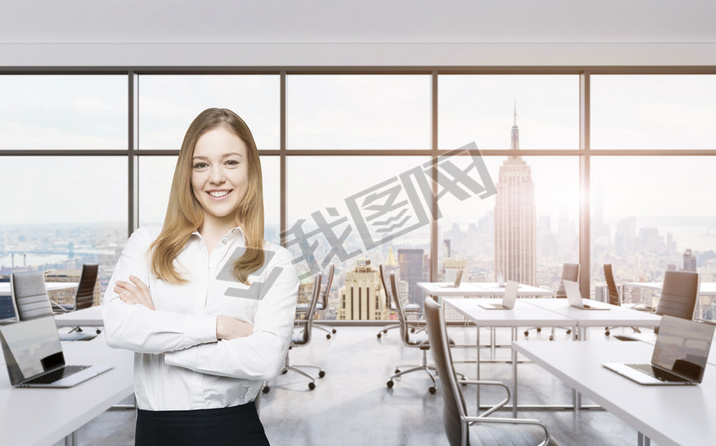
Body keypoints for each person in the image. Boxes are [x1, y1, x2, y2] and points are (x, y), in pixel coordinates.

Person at [103, 108, 299, 445]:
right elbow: (119, 327)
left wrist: (160, 339)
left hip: (235, 431)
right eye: (201, 164)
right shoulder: (147, 245)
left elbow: (264, 360)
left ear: (250, 170)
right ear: (187, 173)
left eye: (231, 162)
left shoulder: (274, 262)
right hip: (155, 433)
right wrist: (217, 328)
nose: (216, 177)